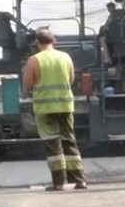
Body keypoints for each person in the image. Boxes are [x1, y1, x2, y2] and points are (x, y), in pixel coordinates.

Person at [22, 28, 87, 191]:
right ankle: (80, 181)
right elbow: (71, 79)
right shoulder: (65, 57)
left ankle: (59, 183)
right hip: (65, 105)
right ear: (54, 41)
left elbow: (28, 84)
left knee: (53, 144)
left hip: (45, 107)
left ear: (37, 42)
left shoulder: (34, 60)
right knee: (69, 141)